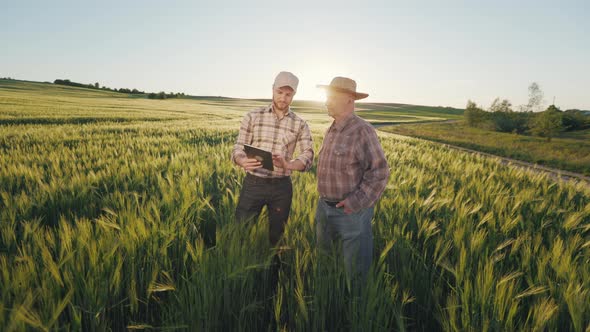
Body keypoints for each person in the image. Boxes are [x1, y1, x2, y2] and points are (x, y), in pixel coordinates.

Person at [315, 76, 390, 281]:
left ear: (349, 99)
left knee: (355, 273)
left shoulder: (362, 131)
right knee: (327, 264)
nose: (326, 101)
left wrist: (355, 202)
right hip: (324, 209)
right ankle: (332, 302)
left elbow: (380, 171)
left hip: (350, 213)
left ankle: (355, 310)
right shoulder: (332, 129)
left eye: (332, 97)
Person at [232, 71, 314, 247]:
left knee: (277, 239)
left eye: (288, 94)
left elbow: (308, 154)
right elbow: (239, 147)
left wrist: (289, 164)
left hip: (281, 188)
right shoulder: (253, 116)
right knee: (241, 233)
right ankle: (240, 266)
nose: (283, 98)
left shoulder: (300, 124)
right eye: (279, 92)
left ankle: (273, 271)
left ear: (294, 95)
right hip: (254, 183)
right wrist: (242, 160)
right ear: (272, 89)